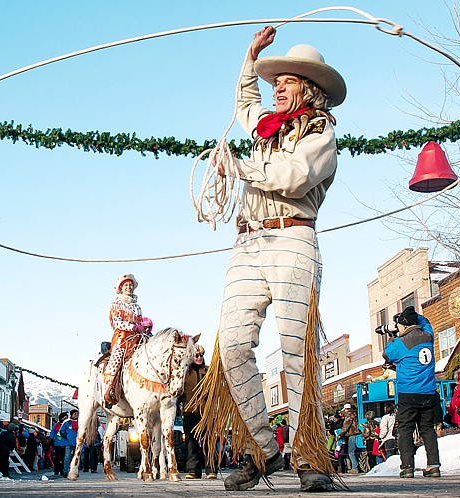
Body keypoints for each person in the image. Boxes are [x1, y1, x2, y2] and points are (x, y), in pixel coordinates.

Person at [209, 24, 345, 493]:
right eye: (274, 81)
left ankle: (310, 455)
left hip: (293, 241)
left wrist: (239, 166)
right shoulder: (266, 128)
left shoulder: (320, 134)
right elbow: (244, 104)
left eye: (285, 80)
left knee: (295, 351)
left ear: (307, 87)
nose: (276, 87)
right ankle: (262, 449)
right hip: (247, 243)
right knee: (229, 344)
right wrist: (250, 56)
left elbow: (295, 175)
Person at [383, 306, 441, 478]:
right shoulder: (428, 336)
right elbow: (426, 322)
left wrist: (393, 335)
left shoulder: (401, 343)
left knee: (406, 429)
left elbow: (387, 355)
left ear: (405, 326)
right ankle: (433, 465)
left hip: (408, 393)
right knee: (427, 429)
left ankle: (407, 467)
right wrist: (414, 317)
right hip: (429, 392)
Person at [103, 274, 144, 407]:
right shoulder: (117, 303)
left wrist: (141, 328)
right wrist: (132, 326)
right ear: (121, 288)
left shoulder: (137, 306)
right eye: (126, 285)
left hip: (137, 337)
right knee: (116, 358)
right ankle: (109, 390)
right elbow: (116, 322)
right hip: (123, 337)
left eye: (131, 285)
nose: (129, 287)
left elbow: (140, 320)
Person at [181, 344, 213, 479]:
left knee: (208, 442)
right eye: (196, 356)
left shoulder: (210, 371)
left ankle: (210, 469)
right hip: (190, 412)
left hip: (206, 412)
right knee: (191, 443)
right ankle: (193, 470)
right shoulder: (185, 373)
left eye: (201, 355)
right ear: (191, 357)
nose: (199, 358)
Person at [339, 404, 360, 474]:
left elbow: (345, 427)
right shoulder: (355, 414)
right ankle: (357, 466)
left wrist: (339, 435)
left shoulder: (349, 416)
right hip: (356, 434)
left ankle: (354, 468)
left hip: (352, 434)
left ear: (347, 409)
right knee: (356, 452)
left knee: (351, 452)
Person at [60, 409, 79, 477]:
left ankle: (75, 471)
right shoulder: (67, 422)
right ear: (71, 415)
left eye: (77, 414)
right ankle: (65, 471)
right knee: (67, 457)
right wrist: (65, 436)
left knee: (75, 458)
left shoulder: (79, 422)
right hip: (68, 442)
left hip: (77, 443)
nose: (76, 415)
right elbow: (61, 430)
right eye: (74, 414)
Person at [51, 411, 69, 477]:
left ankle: (62, 470)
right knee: (57, 458)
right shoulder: (56, 425)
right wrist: (51, 439)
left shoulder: (68, 424)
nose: (65, 419)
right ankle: (56, 470)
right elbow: (53, 432)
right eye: (64, 417)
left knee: (64, 458)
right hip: (58, 443)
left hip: (66, 443)